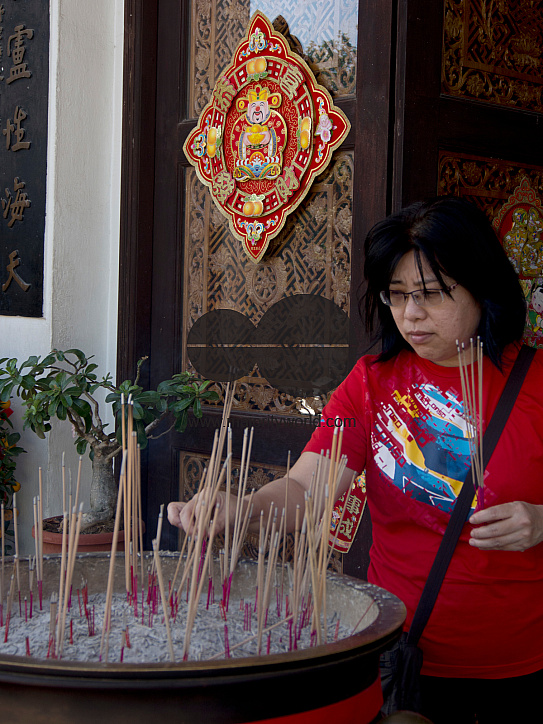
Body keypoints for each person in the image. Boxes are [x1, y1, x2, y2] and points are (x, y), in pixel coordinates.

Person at [168, 197, 543, 724]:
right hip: (402, 652)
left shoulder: (536, 383)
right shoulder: (371, 384)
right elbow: (305, 491)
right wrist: (243, 507)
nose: (411, 314)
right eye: (397, 295)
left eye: (432, 295)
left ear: (482, 287)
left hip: (522, 665)